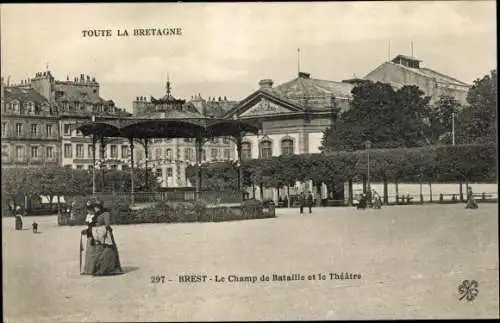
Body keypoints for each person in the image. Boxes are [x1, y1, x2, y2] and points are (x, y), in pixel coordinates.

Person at [92, 200, 123, 276]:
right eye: (94, 207)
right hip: (99, 235)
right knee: (99, 252)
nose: (95, 209)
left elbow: (107, 224)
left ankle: (107, 269)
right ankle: (99, 268)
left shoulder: (106, 214)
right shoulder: (97, 214)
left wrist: (102, 231)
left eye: (96, 207)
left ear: (100, 207)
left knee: (108, 251)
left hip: (106, 235)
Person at [80, 200, 98, 275]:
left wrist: (87, 231)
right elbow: (89, 227)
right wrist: (86, 231)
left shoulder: (96, 216)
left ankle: (93, 269)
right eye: (88, 209)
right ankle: (88, 269)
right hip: (89, 235)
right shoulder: (88, 216)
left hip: (95, 235)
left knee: (94, 252)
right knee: (89, 253)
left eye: (90, 209)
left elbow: (94, 227)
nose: (89, 210)